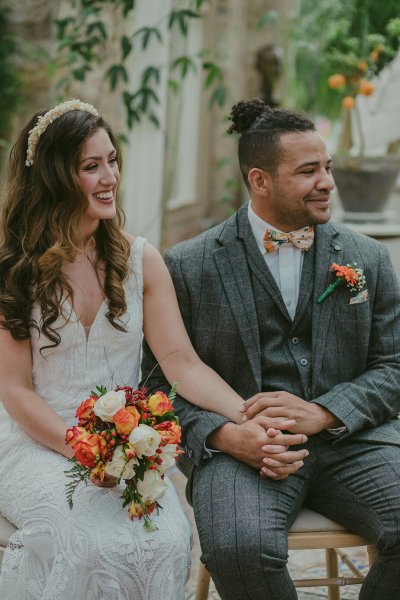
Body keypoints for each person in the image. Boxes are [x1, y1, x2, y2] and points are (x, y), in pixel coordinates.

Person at [0, 99, 305, 600]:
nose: (109, 177)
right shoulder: (15, 269)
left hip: (124, 449)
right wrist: (83, 449)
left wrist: (250, 415)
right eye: (90, 166)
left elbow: (181, 362)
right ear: (55, 178)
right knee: (89, 541)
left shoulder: (139, 260)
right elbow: (14, 389)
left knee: (165, 540)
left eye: (112, 160)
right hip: (37, 445)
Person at [141, 98, 400, 599]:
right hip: (243, 456)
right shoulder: (187, 266)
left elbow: (394, 366)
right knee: (239, 547)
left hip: (354, 444)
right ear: (259, 180)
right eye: (308, 171)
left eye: (326, 167)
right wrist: (222, 435)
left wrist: (325, 413)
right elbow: (157, 384)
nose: (327, 181)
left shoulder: (369, 258)